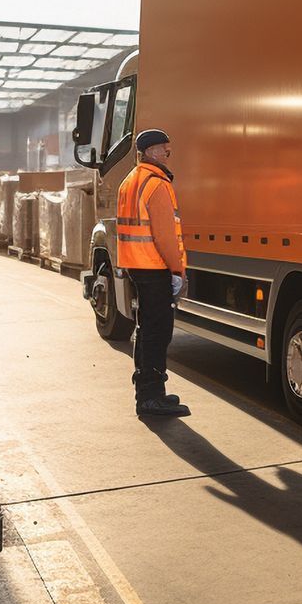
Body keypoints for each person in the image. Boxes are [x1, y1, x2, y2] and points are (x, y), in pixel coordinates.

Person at [118, 128, 190, 418]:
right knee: (158, 332)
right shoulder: (156, 184)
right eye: (164, 150)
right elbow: (165, 236)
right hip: (155, 264)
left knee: (146, 329)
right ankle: (150, 397)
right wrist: (177, 270)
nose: (168, 155)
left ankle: (149, 392)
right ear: (149, 152)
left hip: (137, 264)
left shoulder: (131, 181)